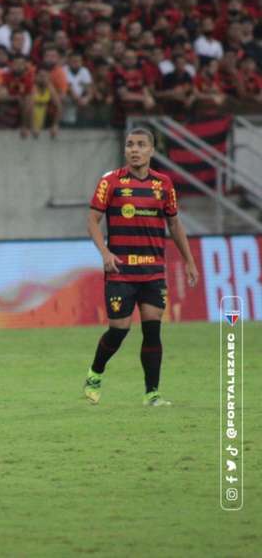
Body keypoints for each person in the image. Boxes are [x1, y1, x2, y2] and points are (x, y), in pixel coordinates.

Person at [84, 128, 199, 407]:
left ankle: (152, 393)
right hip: (121, 271)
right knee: (119, 330)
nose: (134, 149)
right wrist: (105, 252)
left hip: (153, 270)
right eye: (130, 145)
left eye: (141, 145)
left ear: (151, 150)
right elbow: (92, 221)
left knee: (152, 330)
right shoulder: (110, 182)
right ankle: (95, 373)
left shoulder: (163, 184)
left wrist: (189, 261)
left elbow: (174, 224)